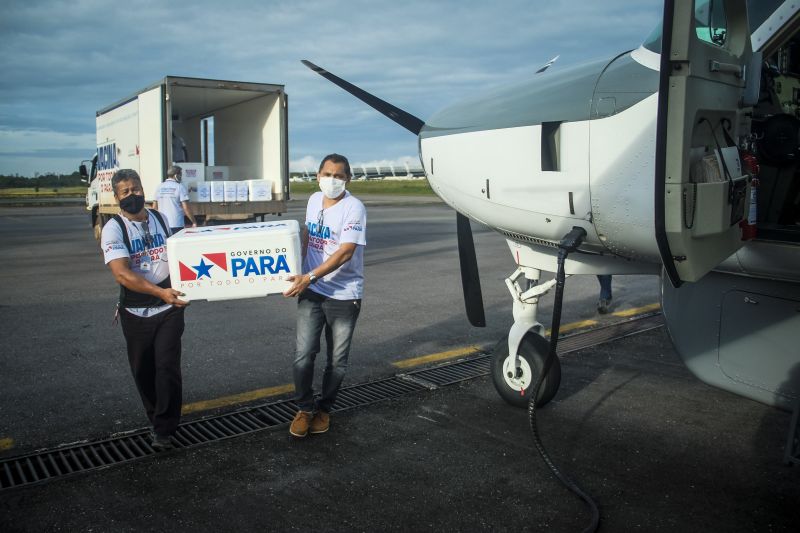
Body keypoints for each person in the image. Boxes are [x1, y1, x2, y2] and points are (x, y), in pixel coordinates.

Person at [101, 169, 190, 450]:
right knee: (143, 370)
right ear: (116, 197)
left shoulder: (160, 218)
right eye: (125, 192)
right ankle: (156, 417)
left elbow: (179, 255)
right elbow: (122, 275)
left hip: (168, 308)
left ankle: (164, 429)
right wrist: (158, 292)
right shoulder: (114, 228)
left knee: (166, 367)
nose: (132, 195)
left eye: (136, 188)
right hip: (136, 311)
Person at [283, 154, 367, 438]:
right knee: (303, 355)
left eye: (339, 175)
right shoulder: (313, 200)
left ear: (348, 179)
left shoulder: (354, 207)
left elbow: (346, 251)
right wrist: (297, 269)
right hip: (312, 290)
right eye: (327, 174)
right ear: (318, 176)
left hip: (344, 295)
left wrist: (310, 276)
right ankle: (305, 408)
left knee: (337, 360)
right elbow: (308, 234)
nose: (332, 180)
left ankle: (325, 408)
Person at [152, 165, 197, 234]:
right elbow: (186, 208)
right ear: (176, 175)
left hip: (163, 224)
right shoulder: (179, 187)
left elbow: (154, 208)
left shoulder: (159, 187)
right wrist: (193, 221)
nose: (181, 177)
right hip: (176, 224)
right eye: (180, 175)